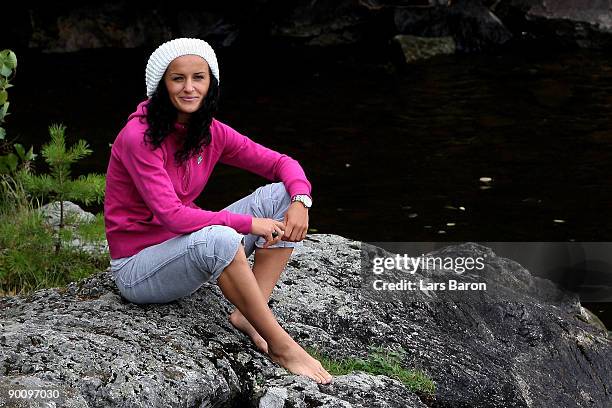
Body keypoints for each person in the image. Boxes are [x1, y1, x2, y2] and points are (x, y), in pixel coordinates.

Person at [104, 38, 332, 384]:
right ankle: (282, 345)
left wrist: (301, 200)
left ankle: (246, 314)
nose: (189, 87)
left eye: (199, 77)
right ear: (161, 86)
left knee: (281, 196)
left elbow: (282, 163)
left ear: (211, 82)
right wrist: (249, 224)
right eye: (178, 79)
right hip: (139, 269)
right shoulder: (139, 138)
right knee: (222, 238)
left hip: (185, 247)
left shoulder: (208, 131)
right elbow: (173, 216)